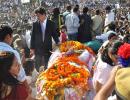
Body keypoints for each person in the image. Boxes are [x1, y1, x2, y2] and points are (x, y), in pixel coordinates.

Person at [30, 7, 60, 71]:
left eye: (39, 15)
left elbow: (54, 34)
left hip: (47, 47)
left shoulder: (51, 23)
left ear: (44, 14)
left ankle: (47, 75)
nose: (37, 17)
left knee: (48, 63)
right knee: (37, 64)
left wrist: (58, 42)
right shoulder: (35, 24)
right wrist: (32, 48)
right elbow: (33, 36)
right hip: (38, 48)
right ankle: (38, 75)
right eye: (37, 16)